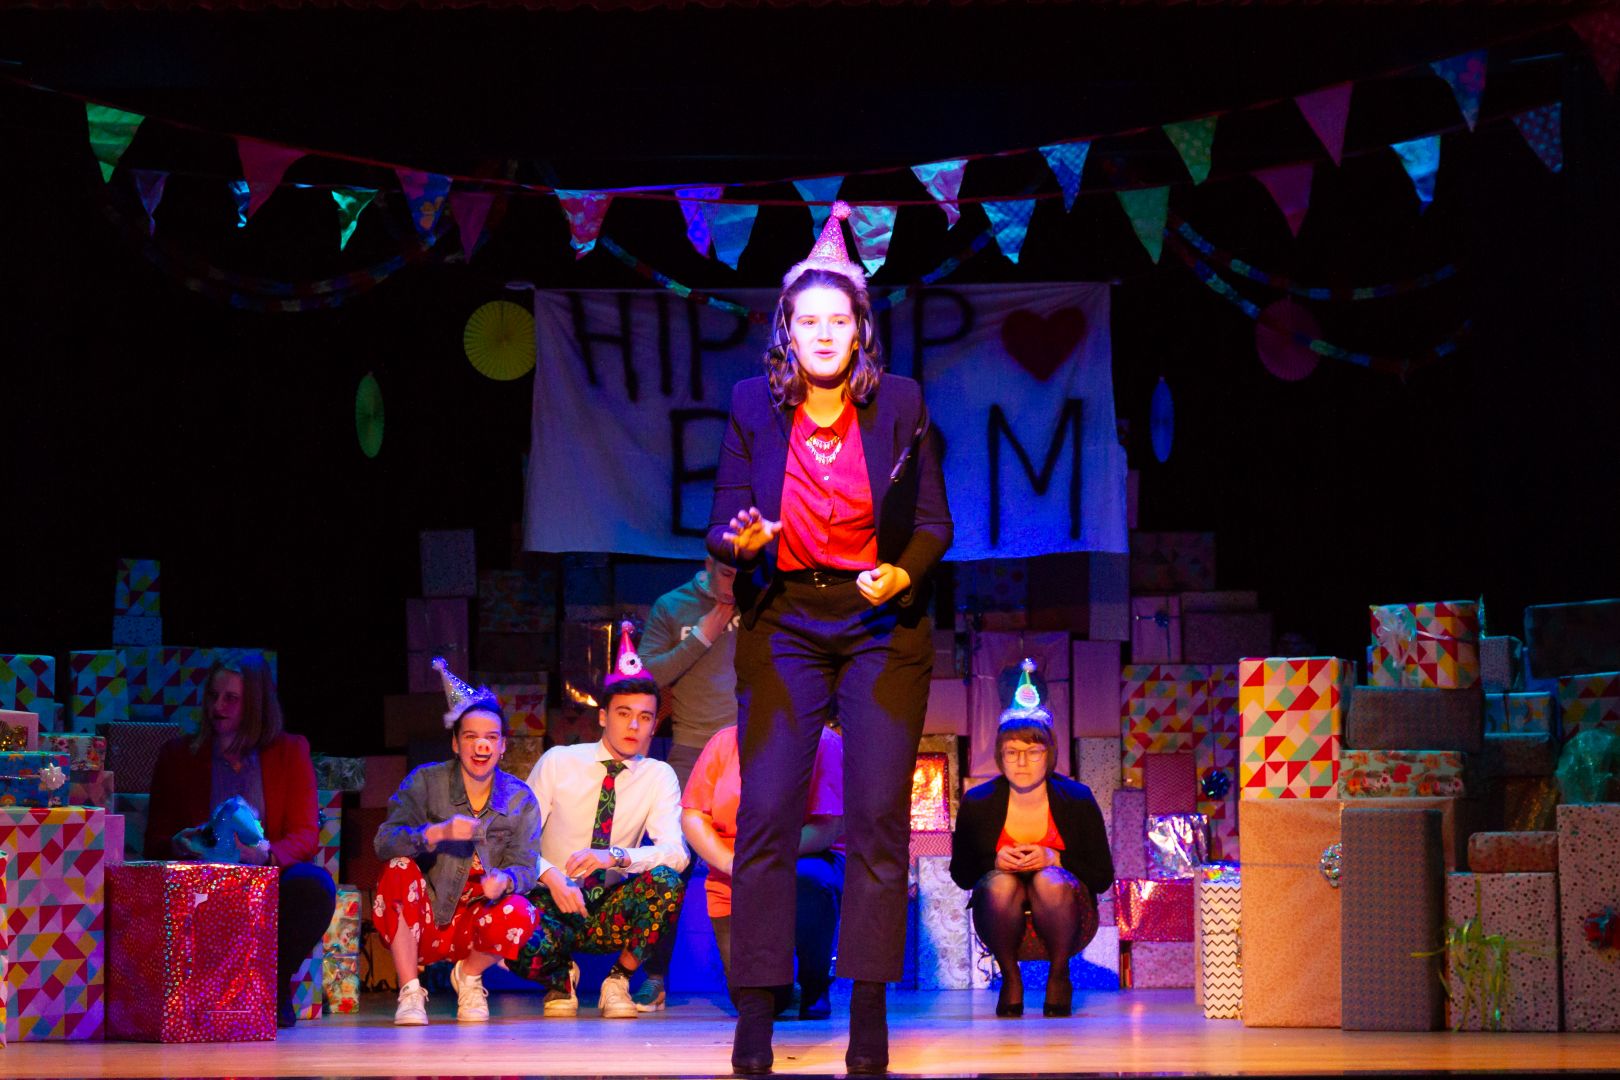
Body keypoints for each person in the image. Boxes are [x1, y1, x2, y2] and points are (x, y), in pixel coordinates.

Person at [708, 201, 952, 1075]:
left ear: (859, 330)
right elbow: (720, 524)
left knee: (878, 819)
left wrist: (903, 573)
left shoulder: (901, 402)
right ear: (787, 328)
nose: (822, 333)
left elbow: (934, 524)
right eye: (807, 320)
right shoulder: (752, 405)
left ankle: (869, 1013)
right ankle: (757, 1015)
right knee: (766, 815)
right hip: (785, 622)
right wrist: (743, 542)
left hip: (880, 623)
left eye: (837, 320)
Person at [147, 652, 337, 1030]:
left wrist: (265, 855)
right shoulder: (177, 756)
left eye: (231, 698)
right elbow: (155, 839)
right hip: (202, 880)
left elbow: (305, 835)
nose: (218, 707)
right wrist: (180, 843)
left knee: (314, 885)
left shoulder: (289, 751)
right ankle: (189, 998)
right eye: (213, 696)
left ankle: (271, 985)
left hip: (263, 879)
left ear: (255, 704)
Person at [515, 625, 689, 1020]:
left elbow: (676, 854)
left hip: (608, 907)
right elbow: (515, 841)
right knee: (509, 912)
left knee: (667, 882)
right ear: (603, 716)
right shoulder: (559, 761)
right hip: (553, 900)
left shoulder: (658, 775)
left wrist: (615, 856)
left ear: (654, 725)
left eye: (644, 717)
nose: (633, 726)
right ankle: (560, 977)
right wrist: (551, 877)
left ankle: (618, 980)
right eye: (623, 714)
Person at [371, 659, 543, 1025]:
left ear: (502, 746)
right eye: (470, 737)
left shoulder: (520, 799)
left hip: (477, 923)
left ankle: (469, 976)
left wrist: (506, 880)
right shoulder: (425, 782)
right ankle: (410, 991)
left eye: (491, 738)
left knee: (522, 910)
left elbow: (528, 867)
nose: (481, 746)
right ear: (455, 743)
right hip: (427, 919)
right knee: (398, 867)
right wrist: (435, 834)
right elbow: (384, 843)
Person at [949, 666, 1113, 1020]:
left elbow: (1102, 876)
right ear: (999, 755)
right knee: (1000, 885)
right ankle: (1010, 977)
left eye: (1033, 752)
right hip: (1000, 909)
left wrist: (1056, 859)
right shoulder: (978, 802)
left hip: (1066, 909)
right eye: (1012, 753)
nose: (1022, 763)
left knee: (1049, 881)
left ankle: (1059, 974)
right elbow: (961, 874)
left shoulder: (1077, 799)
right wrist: (994, 862)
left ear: (1049, 754)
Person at [633, 556, 740, 1011]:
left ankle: (757, 979)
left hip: (747, 748)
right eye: (728, 572)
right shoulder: (672, 605)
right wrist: (703, 634)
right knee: (672, 863)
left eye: (743, 573)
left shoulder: (761, 601)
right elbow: (646, 675)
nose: (735, 582)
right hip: (691, 749)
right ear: (709, 564)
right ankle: (655, 975)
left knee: (749, 861)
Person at [682, 722, 844, 1019]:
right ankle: (783, 986)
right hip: (736, 870)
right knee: (756, 1000)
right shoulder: (724, 742)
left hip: (803, 856)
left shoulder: (824, 742)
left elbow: (828, 825)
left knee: (809, 880)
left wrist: (767, 858)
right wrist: (730, 863)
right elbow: (693, 814)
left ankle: (815, 981)